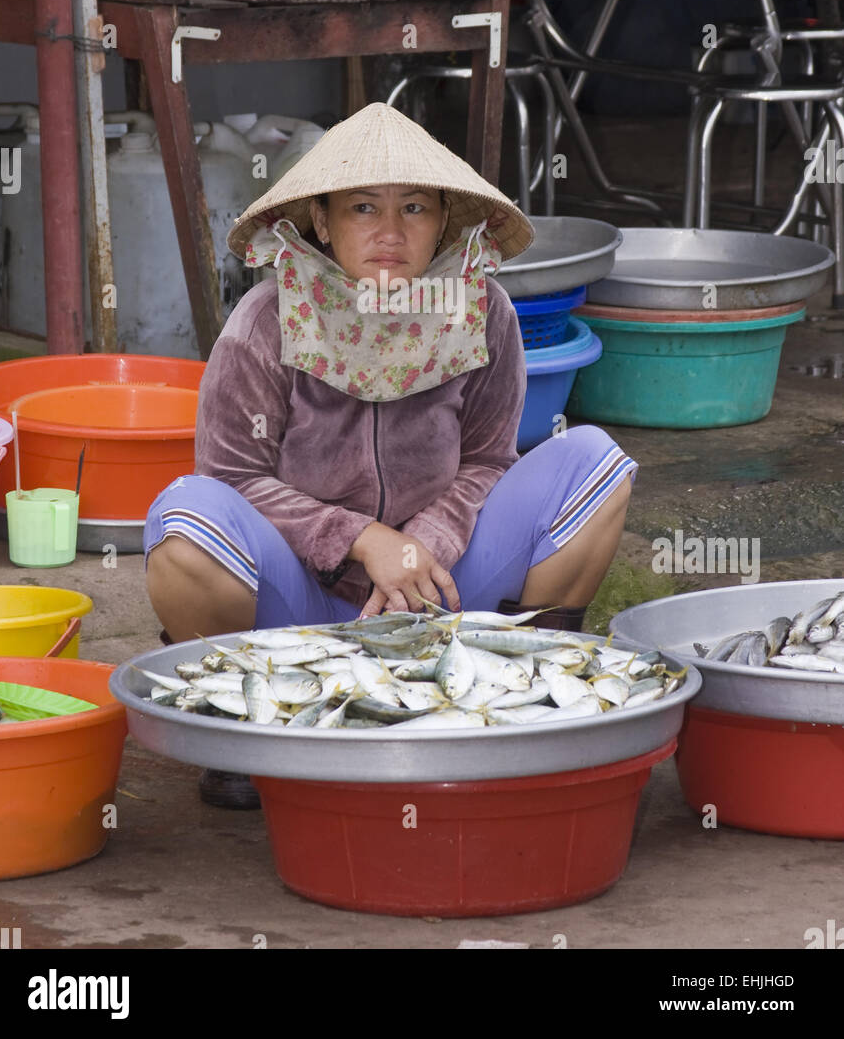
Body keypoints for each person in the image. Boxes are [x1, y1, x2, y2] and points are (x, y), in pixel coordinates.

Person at [144, 102, 636, 805]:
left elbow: (489, 462)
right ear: (321, 221)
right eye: (363, 209)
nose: (390, 232)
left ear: (444, 221)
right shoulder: (267, 318)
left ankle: (517, 692)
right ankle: (244, 729)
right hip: (297, 608)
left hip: (442, 595)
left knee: (595, 462)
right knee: (185, 521)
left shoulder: (482, 311)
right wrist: (360, 538)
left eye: (414, 208)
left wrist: (418, 546)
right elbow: (231, 476)